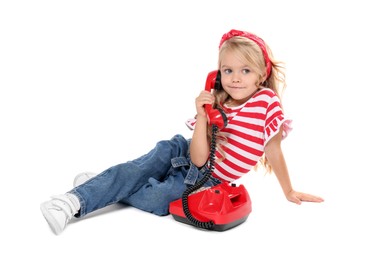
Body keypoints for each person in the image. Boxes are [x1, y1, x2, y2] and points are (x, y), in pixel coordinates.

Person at [40, 29, 324, 235]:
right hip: (183, 151)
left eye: (246, 70)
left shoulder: (266, 103)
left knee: (159, 201)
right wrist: (203, 115)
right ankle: (70, 202)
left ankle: (102, 185)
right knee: (135, 170)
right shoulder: (217, 101)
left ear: (262, 75)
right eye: (227, 70)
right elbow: (199, 156)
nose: (235, 78)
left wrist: (288, 190)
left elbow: (273, 150)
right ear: (218, 74)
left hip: (208, 178)